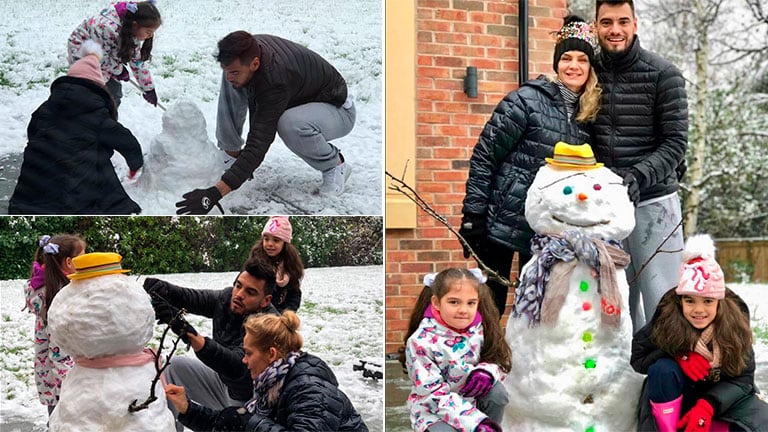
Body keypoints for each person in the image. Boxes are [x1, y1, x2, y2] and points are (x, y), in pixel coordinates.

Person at [460, 15, 601, 317]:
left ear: (591, 68)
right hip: (499, 221)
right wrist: (473, 214)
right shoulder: (526, 101)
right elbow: (486, 155)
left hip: (545, 230)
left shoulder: (589, 117)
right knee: (488, 307)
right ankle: (483, 361)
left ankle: (522, 365)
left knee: (533, 311)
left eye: (581, 59)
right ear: (556, 63)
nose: (573, 66)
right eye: (566, 58)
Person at [175, 31, 356, 215]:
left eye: (234, 71)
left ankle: (334, 165)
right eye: (226, 70)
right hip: (298, 98)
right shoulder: (249, 49)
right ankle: (231, 153)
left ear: (255, 63)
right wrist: (240, 162)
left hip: (337, 109)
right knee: (233, 80)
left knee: (289, 124)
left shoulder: (275, 80)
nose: (229, 76)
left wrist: (215, 193)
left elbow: (259, 141)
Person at [592, 0, 688, 332]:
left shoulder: (664, 74)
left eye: (622, 21)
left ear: (635, 23)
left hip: (654, 203)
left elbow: (676, 143)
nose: (614, 30)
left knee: (664, 302)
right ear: (595, 26)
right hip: (605, 207)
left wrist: (638, 175)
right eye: (606, 22)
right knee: (613, 305)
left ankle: (667, 379)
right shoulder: (589, 71)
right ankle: (625, 379)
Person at [631, 235, 768, 432]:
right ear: (680, 301)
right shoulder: (667, 318)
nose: (698, 310)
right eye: (690, 301)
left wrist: (708, 405)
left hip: (723, 400)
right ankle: (668, 428)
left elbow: (743, 380)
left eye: (707, 301)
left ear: (719, 302)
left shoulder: (734, 324)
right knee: (662, 369)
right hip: (678, 396)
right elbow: (638, 358)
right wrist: (678, 355)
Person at [165, 311, 368, 431]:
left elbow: (246, 424)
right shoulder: (273, 383)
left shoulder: (310, 390)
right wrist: (187, 409)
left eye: (248, 353)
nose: (244, 360)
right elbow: (234, 425)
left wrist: (248, 422)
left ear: (271, 354)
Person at [142, 256, 279, 431]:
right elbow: (191, 298)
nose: (239, 295)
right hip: (223, 385)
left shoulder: (269, 324)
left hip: (252, 402)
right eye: (238, 285)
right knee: (175, 366)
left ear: (265, 301)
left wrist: (187, 332)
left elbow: (235, 365)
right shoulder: (227, 298)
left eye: (250, 292)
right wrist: (164, 290)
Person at [8, 41, 144, 215]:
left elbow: (32, 133)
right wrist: (135, 165)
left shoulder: (45, 109)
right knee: (94, 162)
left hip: (30, 190)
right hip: (72, 195)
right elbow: (126, 141)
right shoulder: (97, 115)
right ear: (97, 86)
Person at [404, 268, 513, 432]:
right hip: (434, 411)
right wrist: (475, 423)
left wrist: (487, 371)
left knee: (497, 394)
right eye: (454, 302)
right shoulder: (420, 342)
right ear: (436, 302)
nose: (463, 310)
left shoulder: (482, 329)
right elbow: (432, 395)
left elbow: (499, 359)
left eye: (471, 303)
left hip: (472, 402)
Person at [23, 234, 86, 415]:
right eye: (83, 256)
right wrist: (71, 385)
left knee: (56, 418)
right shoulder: (61, 295)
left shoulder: (42, 287)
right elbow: (60, 349)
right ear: (68, 263)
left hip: (51, 377)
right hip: (65, 379)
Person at [67, 0, 162, 108]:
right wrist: (119, 70)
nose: (150, 36)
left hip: (105, 52)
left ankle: (106, 115)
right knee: (95, 89)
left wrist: (148, 88)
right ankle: (82, 112)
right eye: (148, 32)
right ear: (135, 25)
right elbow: (101, 57)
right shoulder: (106, 27)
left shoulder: (132, 26)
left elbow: (137, 61)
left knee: (114, 94)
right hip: (82, 49)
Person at [249, 216, 305, 312]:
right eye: (266, 239)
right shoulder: (255, 262)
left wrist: (286, 314)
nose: (270, 244)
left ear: (285, 243)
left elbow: (294, 294)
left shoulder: (290, 266)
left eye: (276, 240)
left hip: (277, 317)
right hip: (254, 313)